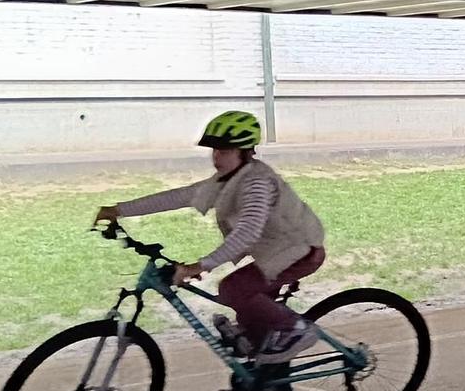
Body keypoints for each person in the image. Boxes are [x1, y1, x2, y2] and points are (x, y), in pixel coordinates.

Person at [94, 111, 327, 377]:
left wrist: (201, 265)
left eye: (225, 150)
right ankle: (261, 378)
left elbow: (247, 232)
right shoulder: (228, 179)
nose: (217, 157)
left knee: (233, 289)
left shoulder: (257, 183)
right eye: (215, 150)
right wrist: (119, 210)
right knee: (251, 316)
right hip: (276, 253)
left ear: (245, 151)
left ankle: (296, 330)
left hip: (301, 251)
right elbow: (181, 196)